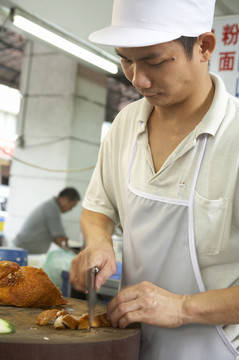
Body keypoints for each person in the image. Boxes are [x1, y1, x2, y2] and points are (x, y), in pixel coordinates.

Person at [69, 0, 239, 358]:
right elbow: (97, 209)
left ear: (205, 47)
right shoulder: (126, 124)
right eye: (126, 60)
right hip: (132, 345)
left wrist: (181, 308)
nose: (138, 79)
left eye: (155, 61)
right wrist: (98, 242)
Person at [14, 187, 80, 254]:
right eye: (71, 206)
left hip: (24, 250)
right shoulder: (52, 209)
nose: (70, 210)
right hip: (23, 251)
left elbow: (58, 238)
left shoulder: (51, 206)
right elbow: (60, 239)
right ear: (65, 199)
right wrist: (75, 253)